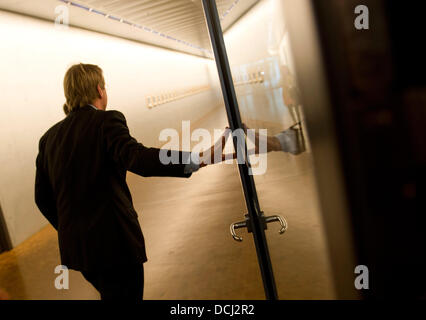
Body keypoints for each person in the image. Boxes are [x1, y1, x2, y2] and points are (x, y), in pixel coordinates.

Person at [34, 63, 229, 301]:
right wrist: (196, 159)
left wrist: (71, 228)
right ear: (100, 89)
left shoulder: (49, 139)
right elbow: (139, 159)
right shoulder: (105, 122)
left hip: (80, 252)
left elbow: (42, 198)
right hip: (115, 246)